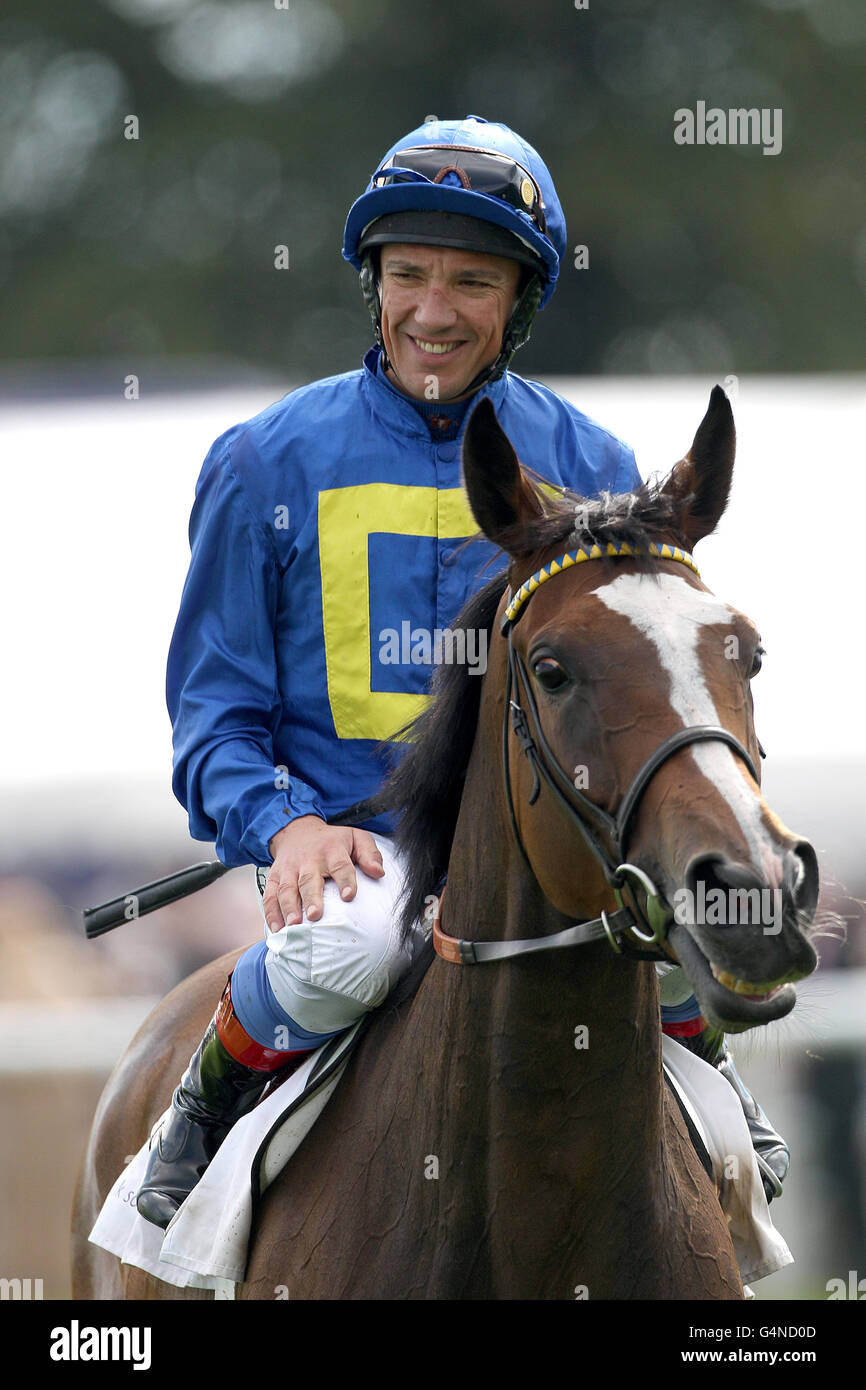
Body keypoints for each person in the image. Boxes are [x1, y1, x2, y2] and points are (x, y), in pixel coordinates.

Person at [136, 115, 788, 1230]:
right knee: (343, 948)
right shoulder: (261, 463)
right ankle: (201, 1109)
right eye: (407, 275)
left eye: (470, 282)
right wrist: (283, 826)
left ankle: (715, 1104)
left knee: (682, 936)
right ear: (373, 282)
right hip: (359, 851)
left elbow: (641, 693)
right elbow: (214, 720)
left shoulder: (590, 464)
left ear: (517, 301)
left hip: (550, 849)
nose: (431, 312)